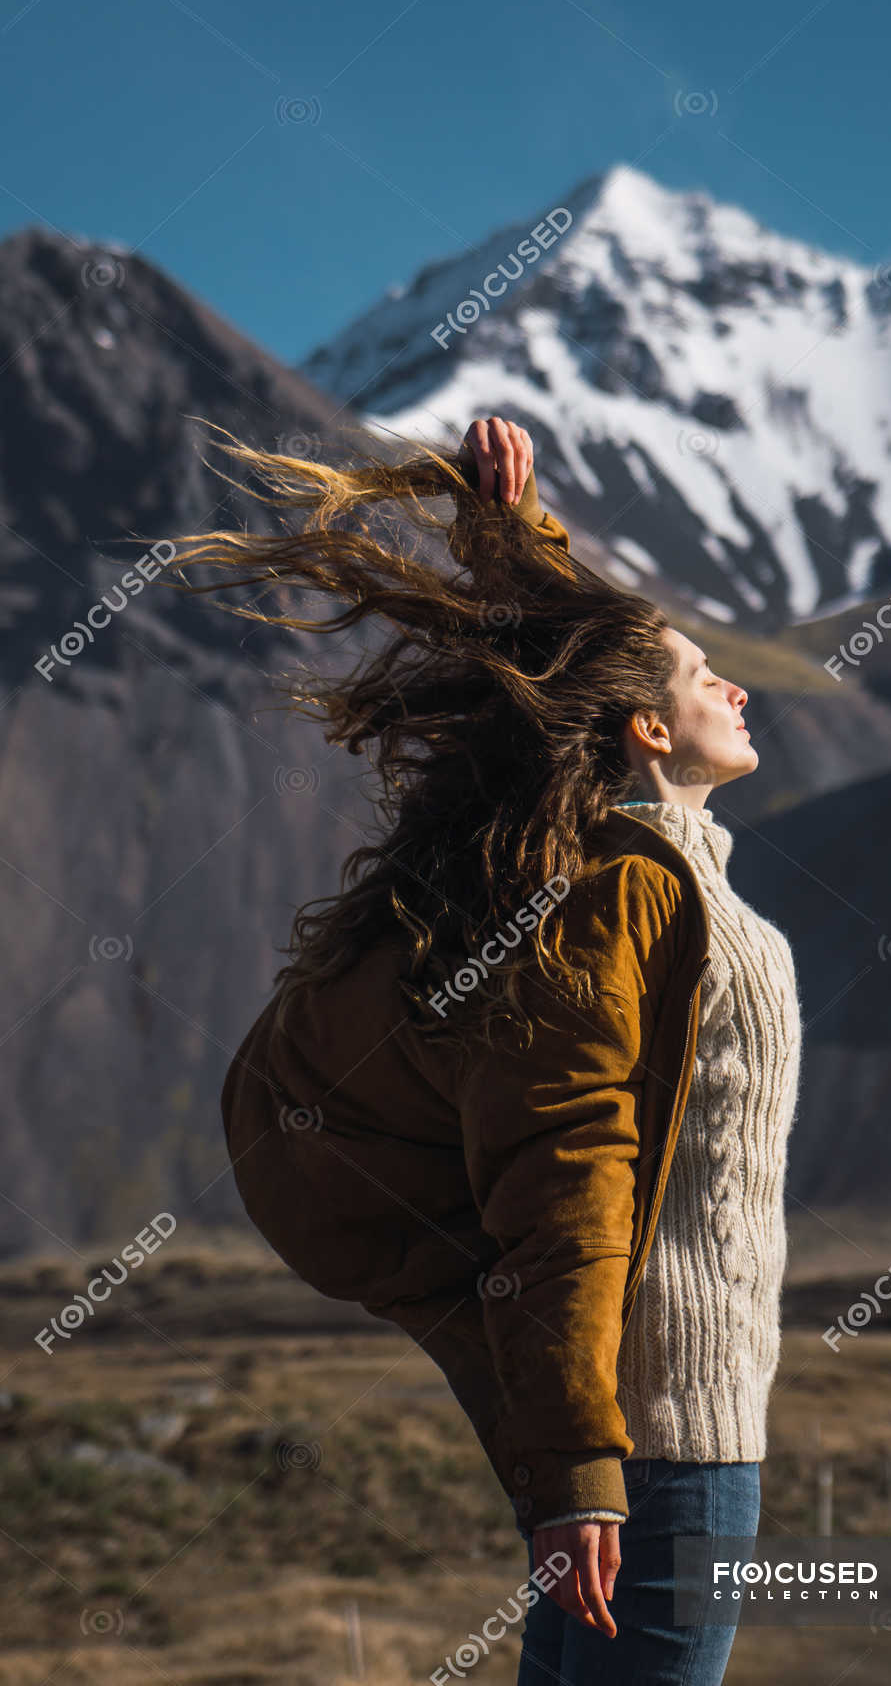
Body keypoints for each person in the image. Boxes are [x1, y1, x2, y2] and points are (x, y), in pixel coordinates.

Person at [163, 416, 802, 1686]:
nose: (736, 685)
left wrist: (512, 539)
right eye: (703, 676)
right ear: (648, 736)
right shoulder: (620, 892)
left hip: (653, 1444)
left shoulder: (653, 875)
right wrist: (581, 1475)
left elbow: (594, 653)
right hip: (665, 1441)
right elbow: (562, 1172)